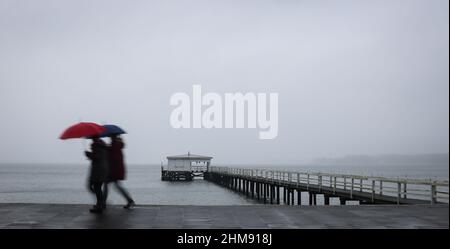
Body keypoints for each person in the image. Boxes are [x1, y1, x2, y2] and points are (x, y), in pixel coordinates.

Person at [103, 135, 135, 209]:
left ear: (113, 136)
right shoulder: (117, 145)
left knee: (107, 184)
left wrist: (107, 148)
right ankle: (129, 200)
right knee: (116, 185)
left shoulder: (114, 145)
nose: (109, 137)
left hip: (114, 170)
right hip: (116, 169)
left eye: (110, 136)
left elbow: (112, 158)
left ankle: (103, 203)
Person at [85, 136, 109, 213]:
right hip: (102, 168)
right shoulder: (102, 144)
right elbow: (100, 156)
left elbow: (97, 157)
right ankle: (101, 203)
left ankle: (100, 205)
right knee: (97, 187)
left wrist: (88, 154)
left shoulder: (96, 145)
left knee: (96, 187)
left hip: (98, 169)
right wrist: (91, 154)